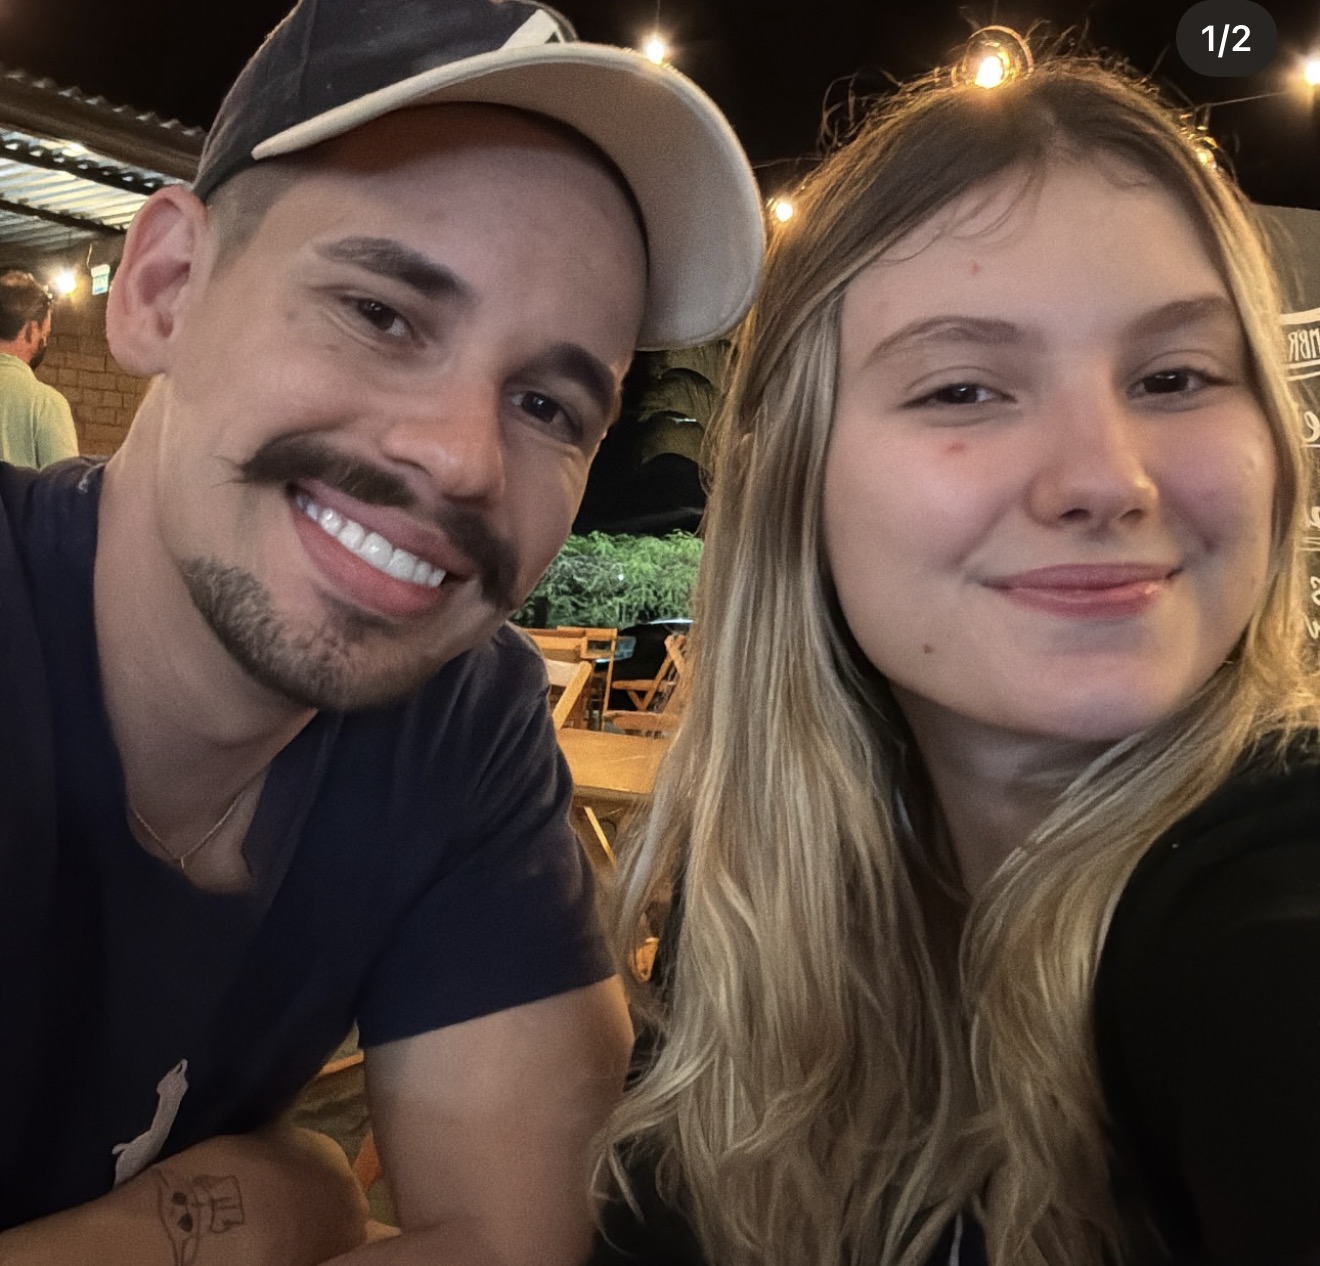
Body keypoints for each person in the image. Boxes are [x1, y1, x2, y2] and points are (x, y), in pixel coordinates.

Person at [0, 0, 763, 1262]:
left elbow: (513, 1246)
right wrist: (267, 1208)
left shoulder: (458, 724)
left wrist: (271, 1199)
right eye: (382, 313)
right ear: (164, 290)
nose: (463, 459)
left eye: (547, 403)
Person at [592, 40, 1320, 1266]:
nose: (1106, 478)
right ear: (795, 484)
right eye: (965, 391)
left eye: (1174, 376)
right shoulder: (769, 908)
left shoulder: (1261, 910)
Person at [0, 269, 78, 467]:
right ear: (32, 330)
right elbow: (63, 484)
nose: (44, 340)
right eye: (45, 333)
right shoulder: (47, 404)